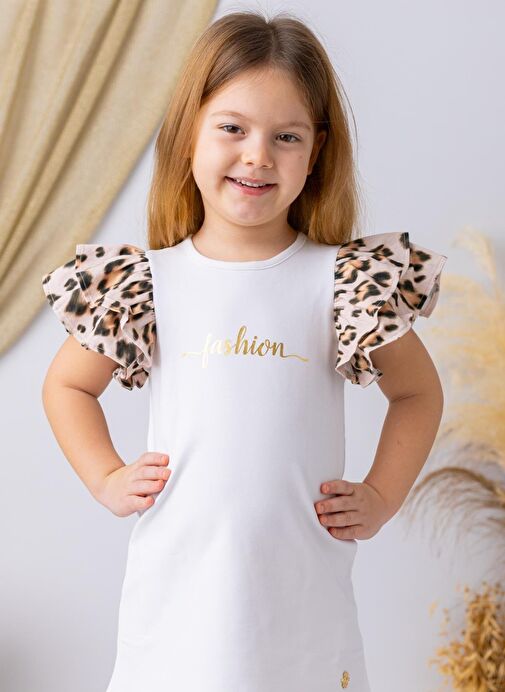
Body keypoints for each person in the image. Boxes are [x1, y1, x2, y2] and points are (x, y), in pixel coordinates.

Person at [41, 10, 447, 692]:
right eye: (232, 128)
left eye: (285, 136)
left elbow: (416, 392)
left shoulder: (342, 281)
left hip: (302, 600)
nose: (258, 155)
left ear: (315, 151)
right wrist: (106, 477)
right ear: (188, 134)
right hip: (176, 601)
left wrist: (381, 494)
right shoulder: (146, 282)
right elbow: (67, 386)